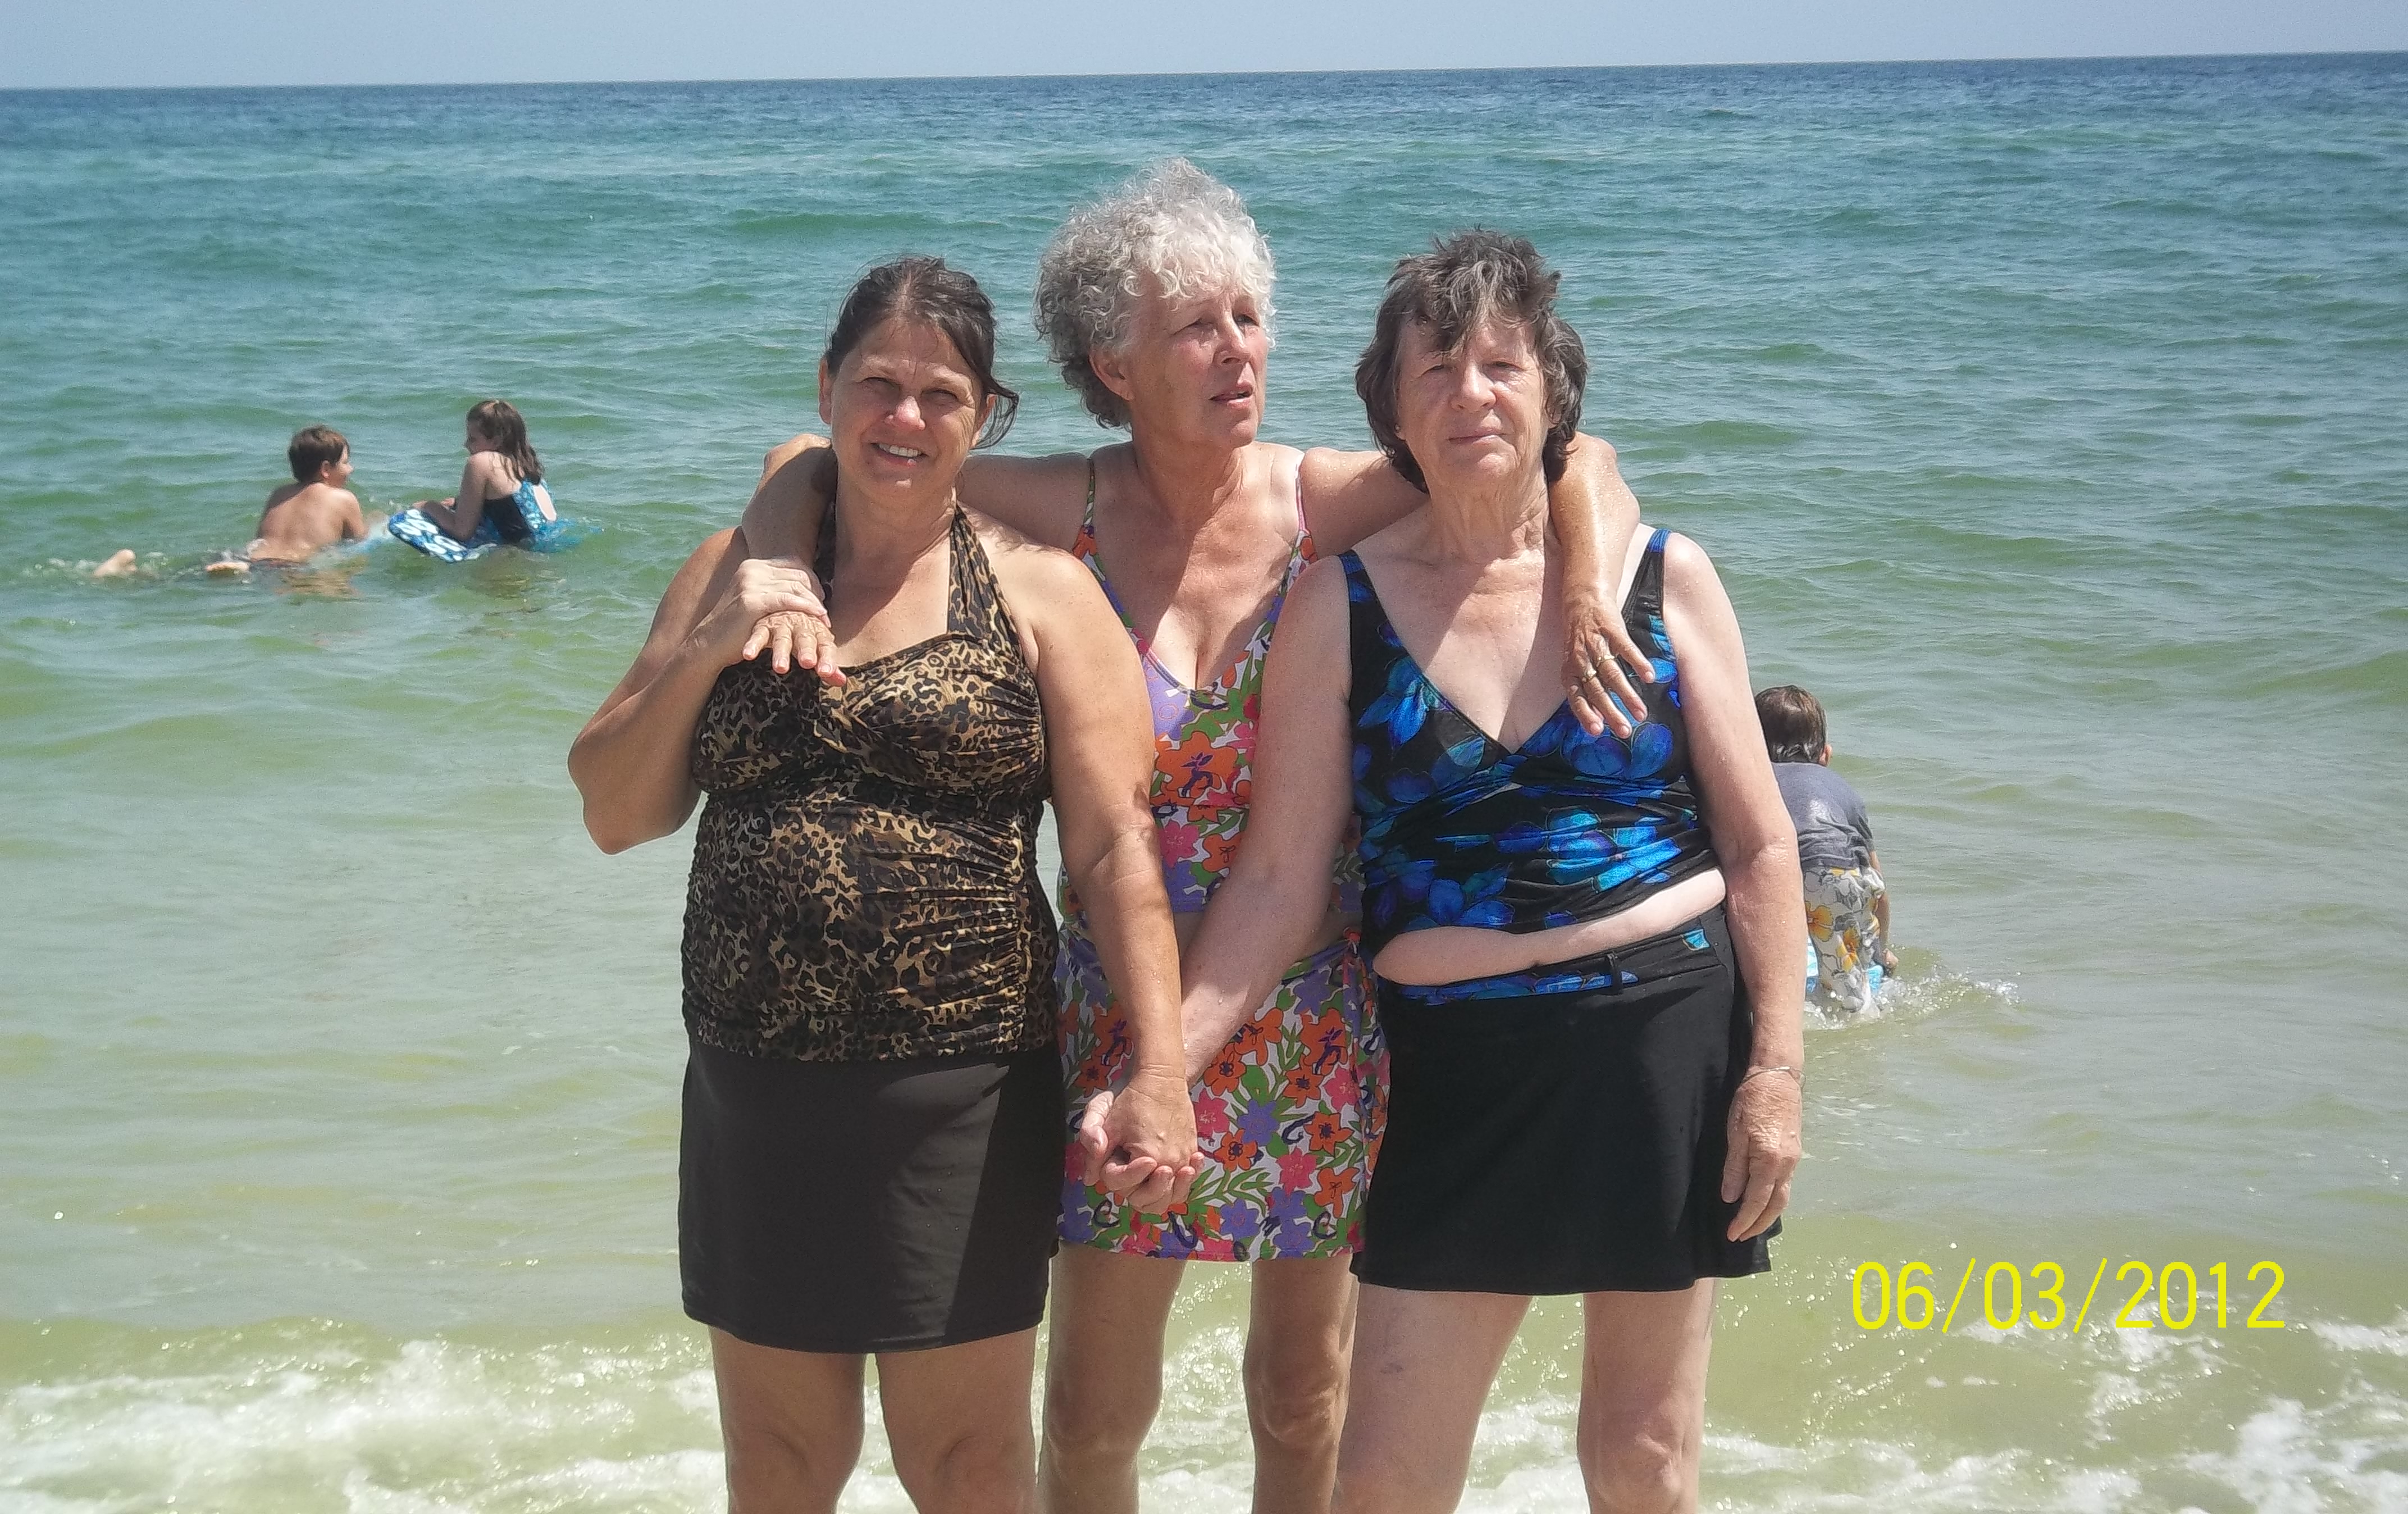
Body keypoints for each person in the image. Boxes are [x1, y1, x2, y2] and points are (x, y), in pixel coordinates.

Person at [736, 163, 1650, 1514]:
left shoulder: (1320, 502)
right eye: (1196, 327)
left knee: (1300, 1391)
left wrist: (1582, 594)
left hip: (1314, 1001)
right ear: (1113, 363)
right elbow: (814, 463)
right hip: (1119, 1001)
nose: (1238, 351)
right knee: (1094, 1410)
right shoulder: (1061, 511)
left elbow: (1573, 457)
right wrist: (771, 562)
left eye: (1249, 317)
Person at [1142, 231, 1805, 1514]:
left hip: (1661, 1040)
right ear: (1389, 411)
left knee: (1643, 1460)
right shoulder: (1336, 603)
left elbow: (1760, 843)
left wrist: (1773, 1071)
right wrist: (1164, 1068)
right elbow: (1278, 881)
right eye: (1435, 369)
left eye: (1501, 365)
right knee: (1383, 1476)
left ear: (1553, 392)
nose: (1470, 394)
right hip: (1453, 1068)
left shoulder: (1659, 576)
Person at [568, 258, 1197, 1514]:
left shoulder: (1039, 590)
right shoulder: (731, 571)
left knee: (966, 1468)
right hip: (754, 1080)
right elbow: (615, 811)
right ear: (827, 388)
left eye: (941, 394)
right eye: (877, 384)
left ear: (984, 418)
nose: (903, 417)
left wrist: (1162, 1073)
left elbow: (1115, 850)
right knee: (780, 1468)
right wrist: (715, 636)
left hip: (959, 1088)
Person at [1757, 684, 1894, 1013]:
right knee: (1850, 991)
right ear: (1826, 755)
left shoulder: (1754, 780)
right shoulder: (1845, 792)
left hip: (1776, 874)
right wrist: (1882, 951)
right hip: (1839, 879)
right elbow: (1877, 884)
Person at [98, 422, 369, 577]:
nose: (351, 469)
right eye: (346, 462)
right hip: (281, 568)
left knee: (185, 577)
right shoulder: (343, 499)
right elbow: (360, 543)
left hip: (247, 555)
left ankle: (127, 571)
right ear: (326, 469)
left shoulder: (278, 494)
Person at [406, 399, 563, 547]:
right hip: (552, 547)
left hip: (518, 555)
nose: (466, 444)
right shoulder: (529, 470)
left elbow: (462, 532)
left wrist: (428, 506)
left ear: (496, 441)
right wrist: (460, 503)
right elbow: (512, 510)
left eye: (472, 439)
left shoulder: (482, 461)